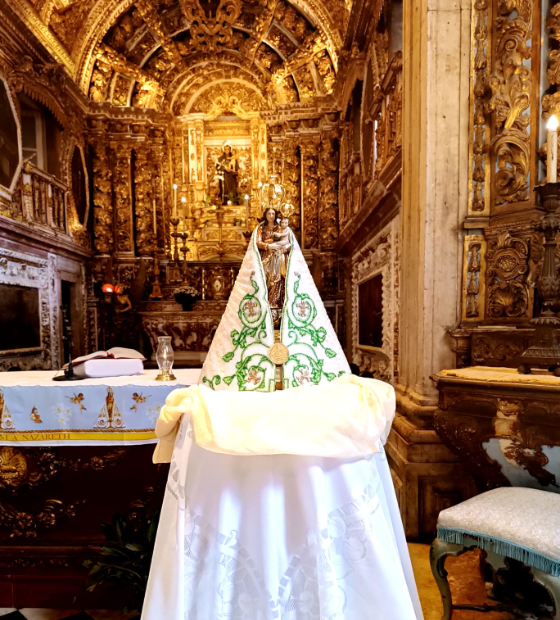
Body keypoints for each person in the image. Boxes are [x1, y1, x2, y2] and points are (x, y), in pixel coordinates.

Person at [141, 219, 424, 620]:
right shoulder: (253, 277)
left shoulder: (296, 277)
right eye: (267, 250)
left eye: (281, 251)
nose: (274, 256)